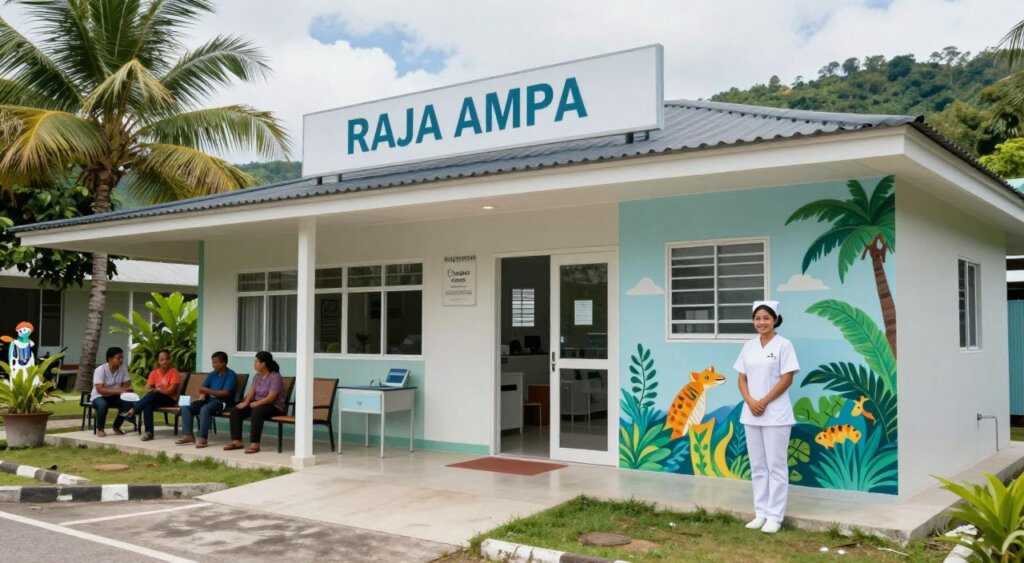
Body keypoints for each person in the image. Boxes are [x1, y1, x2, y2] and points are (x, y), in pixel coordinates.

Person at [734, 300, 799, 534]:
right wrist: (751, 401)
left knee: (776, 466)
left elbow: (787, 378)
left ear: (775, 320)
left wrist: (764, 401)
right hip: (751, 413)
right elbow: (741, 378)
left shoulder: (784, 345)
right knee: (758, 466)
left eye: (766, 318)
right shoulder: (749, 346)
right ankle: (760, 512)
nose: (761, 322)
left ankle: (775, 516)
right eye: (757, 318)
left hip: (776, 414)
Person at [224, 351, 285, 454]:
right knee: (236, 411)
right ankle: (237, 442)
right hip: (258, 404)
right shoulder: (257, 376)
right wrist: (246, 402)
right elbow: (251, 391)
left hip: (274, 406)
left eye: (256, 361)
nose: (254, 364)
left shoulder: (275, 377)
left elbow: (271, 397)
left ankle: (255, 444)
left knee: (257, 411)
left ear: (263, 363)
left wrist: (257, 403)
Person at [175, 351, 237, 448]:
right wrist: (204, 393)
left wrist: (207, 390)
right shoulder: (213, 374)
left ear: (224, 363)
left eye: (216, 362)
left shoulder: (230, 375)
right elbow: (202, 387)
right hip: (208, 400)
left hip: (222, 402)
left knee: (205, 409)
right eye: (212, 362)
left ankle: (203, 439)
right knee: (186, 408)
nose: (213, 365)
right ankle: (188, 436)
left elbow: (226, 393)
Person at [126, 350, 181, 441]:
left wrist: (159, 390)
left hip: (169, 399)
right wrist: (155, 391)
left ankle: (134, 410)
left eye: (167, 359)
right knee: (148, 404)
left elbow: (171, 390)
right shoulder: (154, 373)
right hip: (156, 398)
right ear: (158, 362)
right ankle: (149, 433)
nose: (165, 361)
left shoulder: (173, 372)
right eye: (162, 359)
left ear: (170, 360)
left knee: (152, 396)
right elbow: (148, 389)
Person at [91, 347, 133, 437]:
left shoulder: (123, 368)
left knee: (127, 403)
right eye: (118, 358)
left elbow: (127, 385)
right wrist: (119, 390)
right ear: (110, 359)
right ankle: (100, 429)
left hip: (115, 396)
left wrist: (128, 388)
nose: (121, 360)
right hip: (99, 396)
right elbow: (100, 390)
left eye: (122, 357)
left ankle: (116, 426)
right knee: (102, 405)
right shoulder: (100, 370)